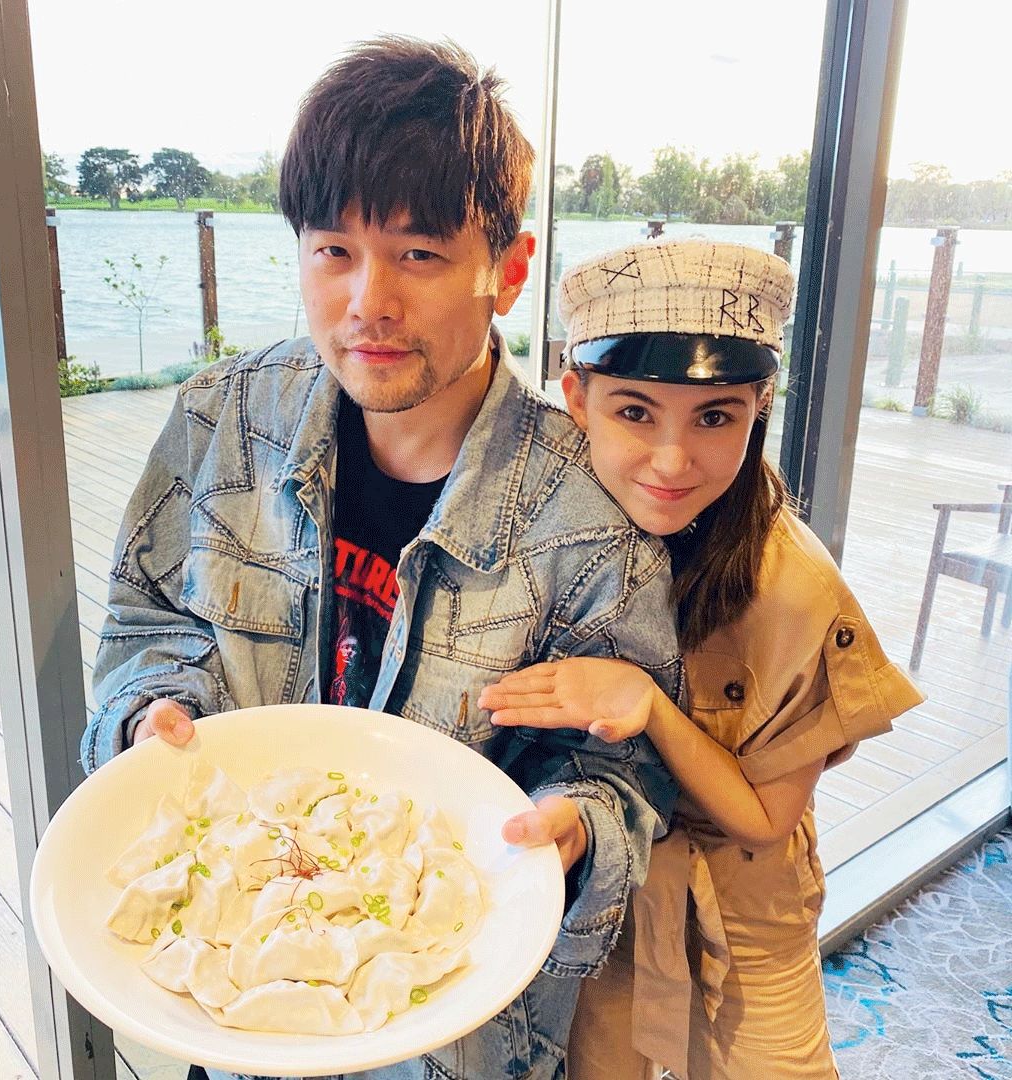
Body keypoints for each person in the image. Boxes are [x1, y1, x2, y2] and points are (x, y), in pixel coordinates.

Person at [81, 37, 681, 1080]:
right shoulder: (225, 418)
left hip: (460, 1023)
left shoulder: (588, 512)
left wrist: (579, 824)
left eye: (419, 255)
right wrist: (153, 709)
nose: (368, 302)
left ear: (509, 270)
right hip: (240, 992)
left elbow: (622, 770)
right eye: (333, 251)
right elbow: (150, 618)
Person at [479, 239, 924, 1079]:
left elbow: (764, 818)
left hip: (744, 912)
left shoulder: (793, 588)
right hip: (603, 892)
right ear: (577, 399)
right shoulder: (547, 536)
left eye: (715, 417)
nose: (672, 460)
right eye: (635, 412)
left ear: (760, 407)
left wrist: (646, 703)